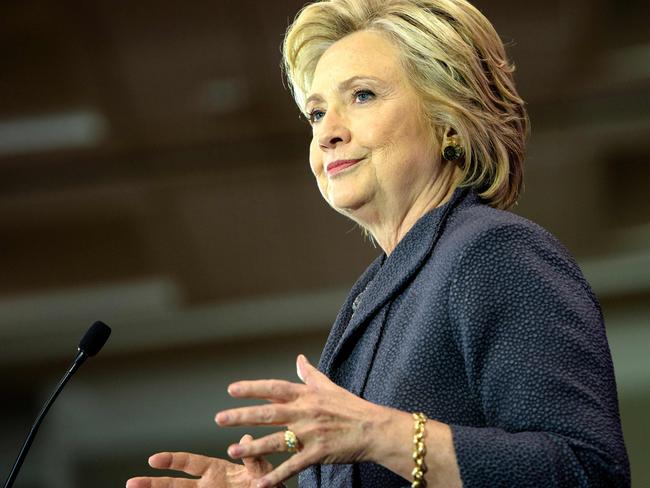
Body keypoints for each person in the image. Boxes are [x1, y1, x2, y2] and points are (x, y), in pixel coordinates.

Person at [126, 0, 631, 487]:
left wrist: (379, 433)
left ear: (447, 117)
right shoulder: (373, 296)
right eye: (317, 113)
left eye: (362, 96)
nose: (327, 134)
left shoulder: (495, 252)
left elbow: (585, 472)